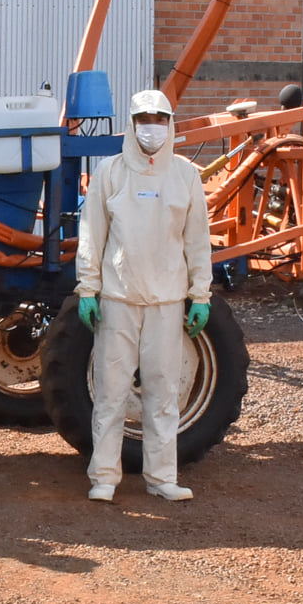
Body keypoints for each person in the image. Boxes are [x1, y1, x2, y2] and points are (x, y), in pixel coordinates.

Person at [73, 88, 212, 503]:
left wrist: (200, 295)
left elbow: (198, 241)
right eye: (144, 119)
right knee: (111, 393)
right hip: (118, 299)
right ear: (131, 125)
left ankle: (162, 477)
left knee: (163, 393)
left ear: (170, 123)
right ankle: (103, 477)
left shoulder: (186, 175)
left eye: (160, 119)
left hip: (167, 302)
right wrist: (88, 289)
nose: (152, 128)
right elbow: (91, 236)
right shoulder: (110, 172)